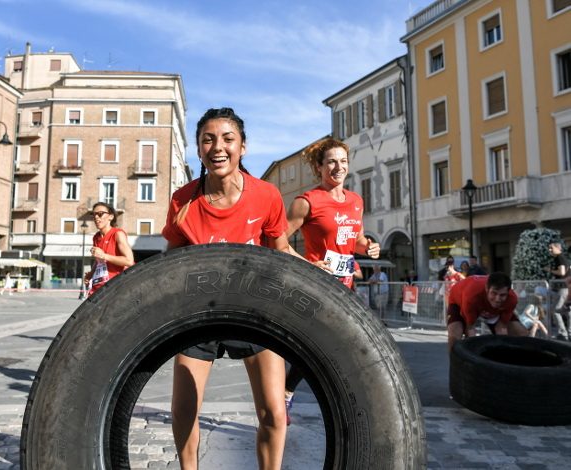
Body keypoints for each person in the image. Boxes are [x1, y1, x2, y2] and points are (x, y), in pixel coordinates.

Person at [162, 107, 292, 470]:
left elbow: (281, 252)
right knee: (184, 410)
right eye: (208, 139)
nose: (217, 147)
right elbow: (169, 262)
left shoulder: (266, 195)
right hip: (198, 311)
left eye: (227, 139)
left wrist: (315, 271)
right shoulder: (182, 200)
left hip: (253, 309)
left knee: (274, 413)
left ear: (243, 147)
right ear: (199, 150)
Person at [281, 136, 381, 426]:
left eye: (343, 162)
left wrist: (369, 246)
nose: (339, 167)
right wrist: (308, 265)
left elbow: (356, 240)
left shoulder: (355, 201)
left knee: (348, 345)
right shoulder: (307, 202)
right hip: (319, 287)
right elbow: (278, 241)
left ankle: (344, 404)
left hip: (347, 286)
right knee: (318, 346)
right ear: (319, 167)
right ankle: (286, 392)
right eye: (332, 162)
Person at [446, 272, 528, 353]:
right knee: (454, 336)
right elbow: (470, 328)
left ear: (508, 292)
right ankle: (456, 364)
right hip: (459, 301)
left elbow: (501, 327)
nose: (497, 299)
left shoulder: (512, 299)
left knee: (521, 333)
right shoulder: (471, 296)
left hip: (487, 307)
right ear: (487, 289)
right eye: (494, 293)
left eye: (502, 295)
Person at [84, 202, 135, 297]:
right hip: (98, 286)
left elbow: (129, 261)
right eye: (94, 214)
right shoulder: (96, 237)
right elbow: (99, 261)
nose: (96, 217)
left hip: (115, 287)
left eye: (100, 214)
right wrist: (91, 274)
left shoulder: (118, 234)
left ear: (110, 217)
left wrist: (104, 255)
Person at [548, 242, 569, 340]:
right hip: (564, 287)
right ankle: (567, 333)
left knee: (555, 310)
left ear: (558, 248)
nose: (550, 250)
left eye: (551, 248)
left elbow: (562, 272)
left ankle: (563, 334)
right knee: (566, 311)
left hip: (563, 288)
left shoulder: (559, 257)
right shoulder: (560, 257)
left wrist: (550, 270)